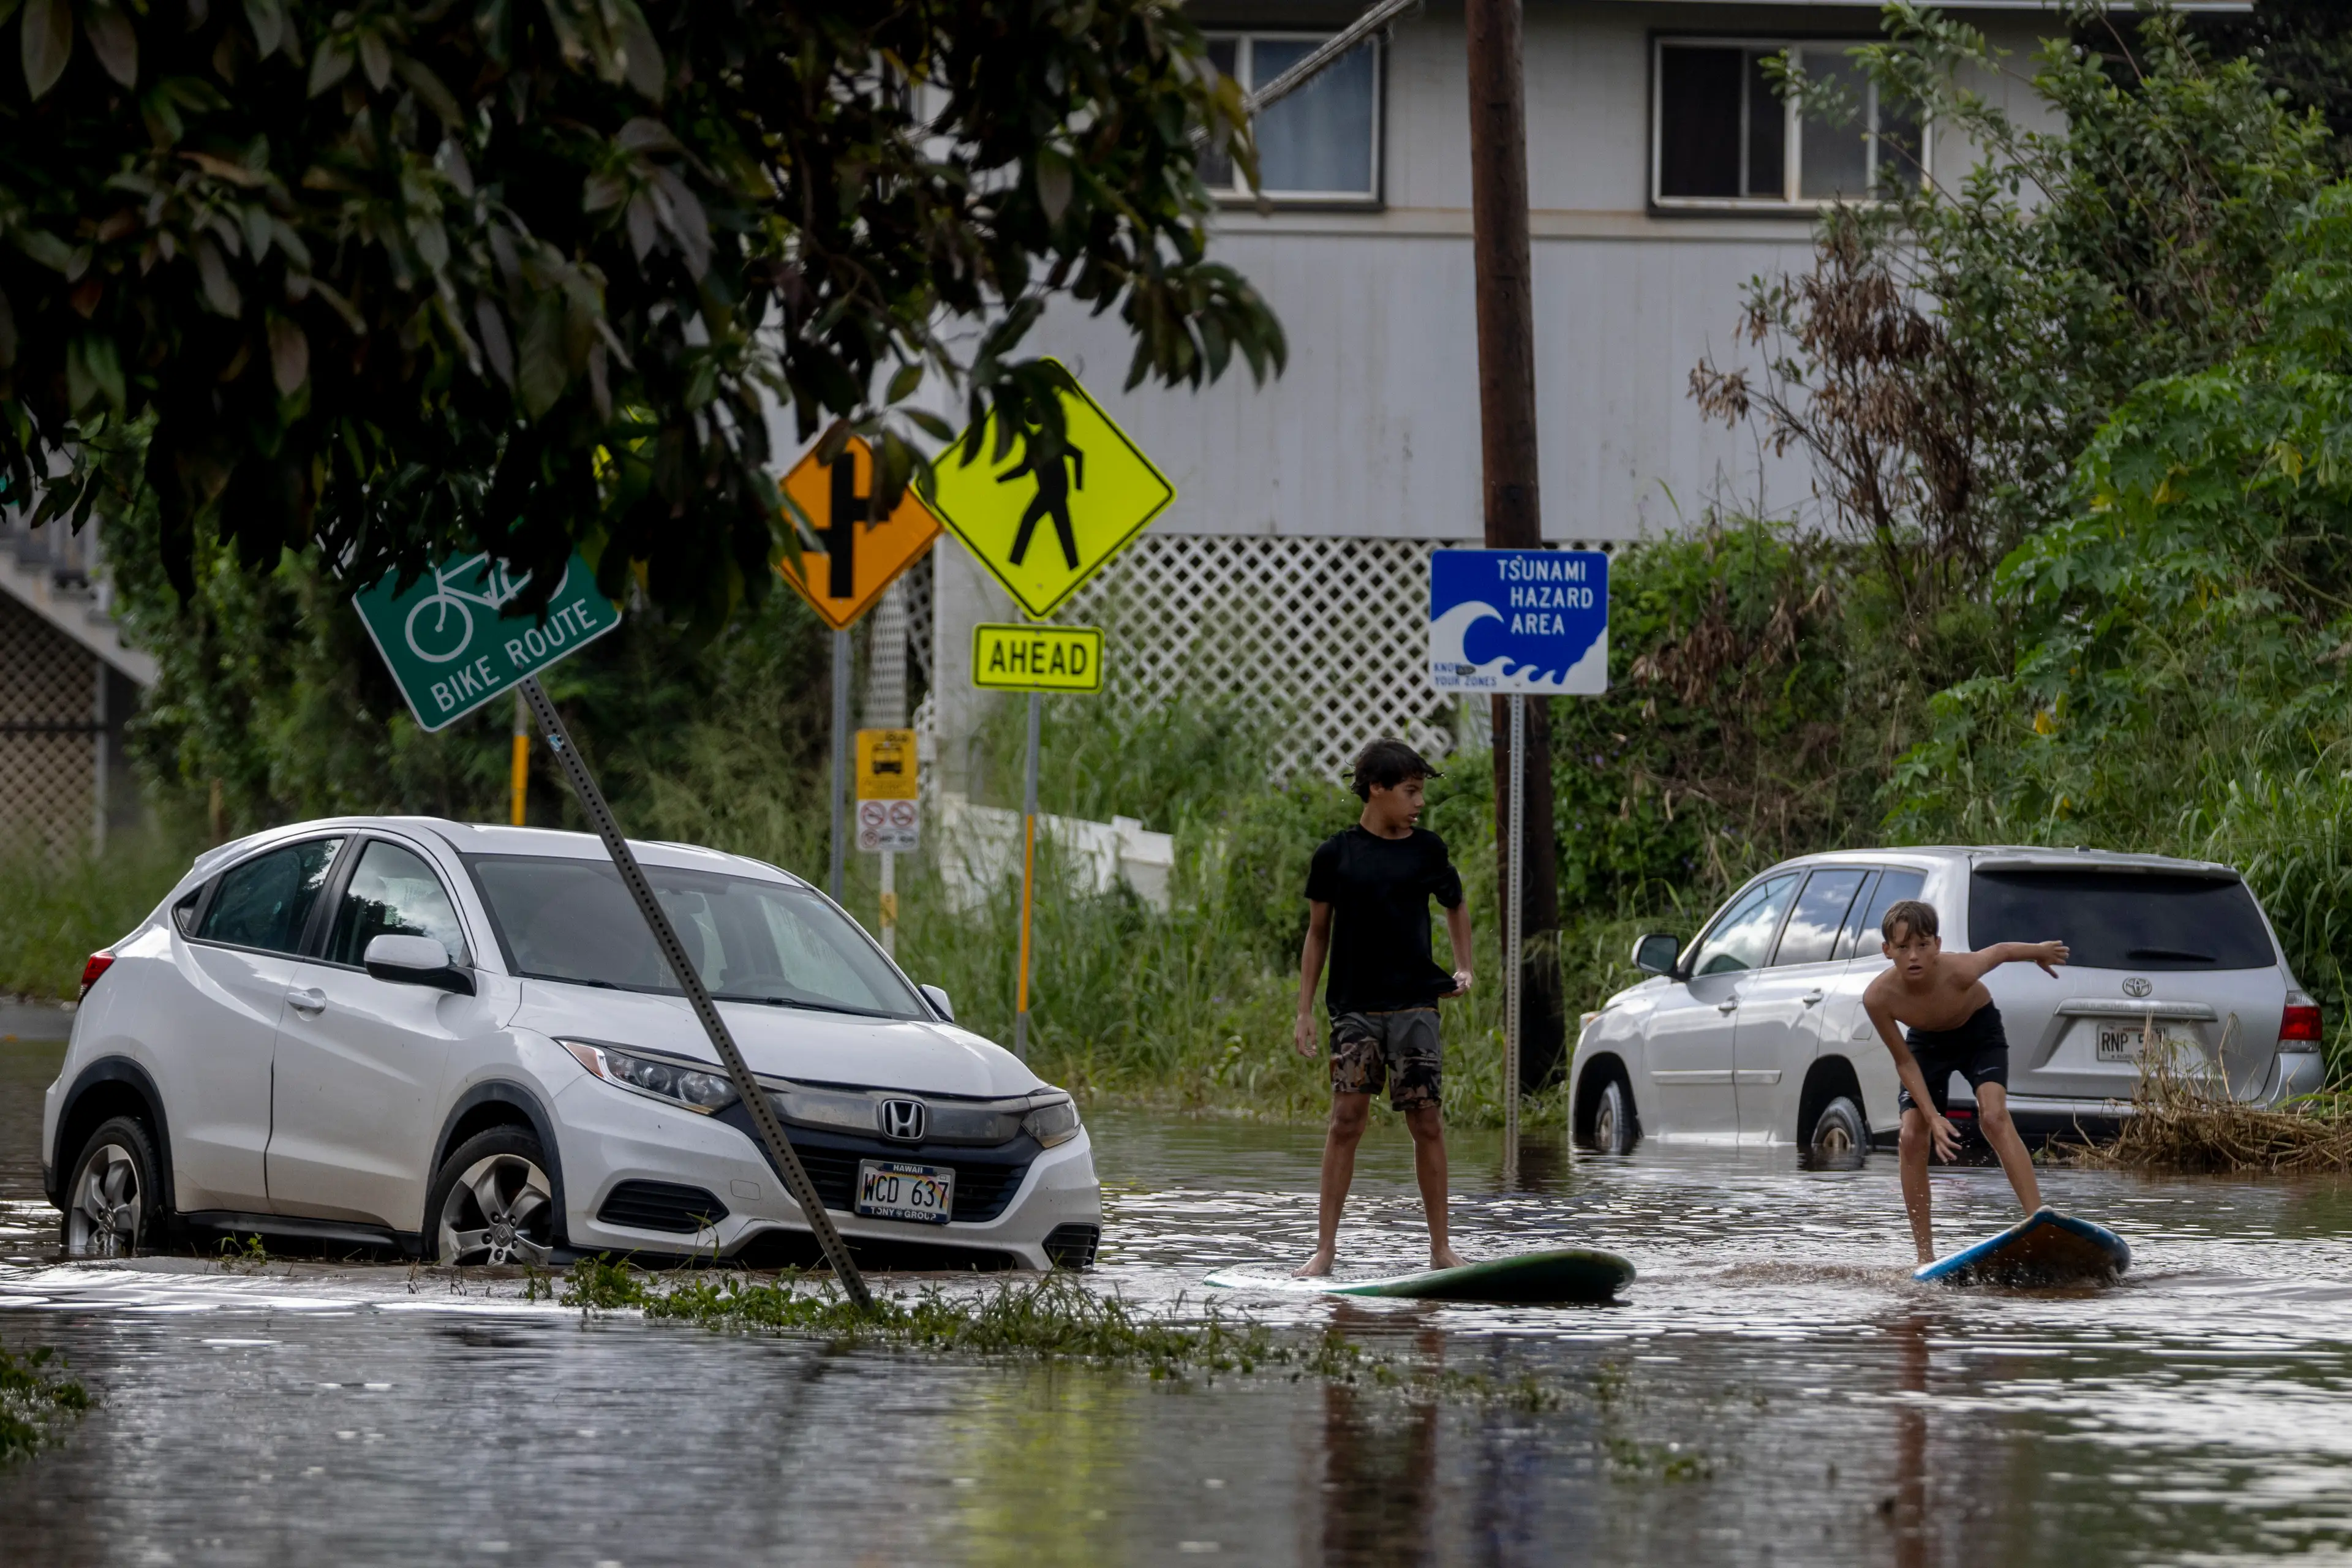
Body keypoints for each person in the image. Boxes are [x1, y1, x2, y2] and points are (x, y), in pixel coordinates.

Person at [1291, 738, 1474, 1277]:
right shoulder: (1335, 856)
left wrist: (1464, 967)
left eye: (1421, 792)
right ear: (1377, 789)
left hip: (1416, 1005)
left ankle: (1441, 1248)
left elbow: (1455, 904)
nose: (1419, 803)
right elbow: (1317, 935)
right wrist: (1304, 1010)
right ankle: (1324, 1250)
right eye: (1411, 791)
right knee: (1346, 1119)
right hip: (1354, 1008)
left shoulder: (1427, 850)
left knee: (1428, 1121)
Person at [1861, 899, 2068, 1264]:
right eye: (1903, 947)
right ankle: (1924, 1256)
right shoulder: (1878, 997)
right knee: (1911, 1136)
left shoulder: (1959, 970)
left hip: (1978, 1032)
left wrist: (2038, 952)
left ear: (1937, 946)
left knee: (1994, 1117)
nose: (1914, 956)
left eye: (1923, 946)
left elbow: (2001, 951)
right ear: (1887, 950)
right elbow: (1904, 1061)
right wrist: (1932, 1116)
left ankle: (2039, 1221)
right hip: (1925, 1046)